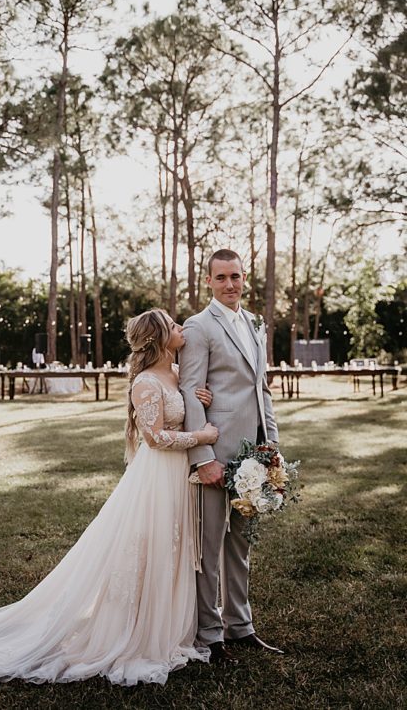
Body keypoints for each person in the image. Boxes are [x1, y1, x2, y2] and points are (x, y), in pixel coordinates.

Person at [0, 308, 218, 686]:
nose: (180, 327)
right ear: (157, 338)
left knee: (171, 548)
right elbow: (154, 438)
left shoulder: (176, 372)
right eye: (172, 325)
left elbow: (184, 406)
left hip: (175, 478)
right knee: (146, 549)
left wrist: (198, 397)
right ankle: (132, 632)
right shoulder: (146, 383)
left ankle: (166, 627)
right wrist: (200, 438)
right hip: (156, 477)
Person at [179, 248, 282, 664]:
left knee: (240, 543)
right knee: (208, 545)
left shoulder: (254, 322)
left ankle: (240, 626)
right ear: (208, 281)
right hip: (217, 453)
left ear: (245, 277)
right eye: (220, 277)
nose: (229, 284)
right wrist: (203, 458)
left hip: (252, 453)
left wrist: (271, 446)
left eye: (235, 276)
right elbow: (190, 391)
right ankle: (208, 634)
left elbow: (263, 389)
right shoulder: (198, 326)